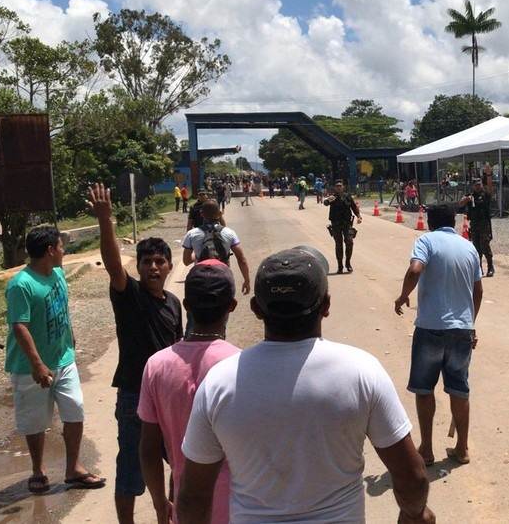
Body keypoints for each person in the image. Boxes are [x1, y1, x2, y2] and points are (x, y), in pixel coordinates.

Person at [177, 247, 434, 524]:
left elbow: (193, 497)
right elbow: (413, 477)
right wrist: (414, 515)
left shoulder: (219, 382)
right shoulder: (361, 371)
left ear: (256, 310)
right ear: (326, 305)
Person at [88, 183, 183, 523]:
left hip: (168, 397)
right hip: (133, 396)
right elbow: (114, 265)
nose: (153, 267)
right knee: (130, 467)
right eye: (147, 262)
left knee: (178, 462)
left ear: (170, 266)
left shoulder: (173, 303)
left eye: (160, 261)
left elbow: (179, 350)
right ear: (139, 267)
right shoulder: (129, 294)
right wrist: (106, 220)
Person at [5, 226, 106, 494]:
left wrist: (69, 332)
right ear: (51, 250)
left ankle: (73, 468)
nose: (64, 250)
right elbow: (20, 327)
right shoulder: (21, 285)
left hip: (64, 360)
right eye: (62, 246)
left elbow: (62, 305)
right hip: (30, 367)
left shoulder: (59, 274)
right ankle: (38, 470)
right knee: (35, 421)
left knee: (75, 410)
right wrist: (37, 364)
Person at [138, 259, 241, 524]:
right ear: (232, 306)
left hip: (185, 507)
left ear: (186, 306)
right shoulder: (241, 365)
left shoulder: (156, 365)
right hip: (239, 509)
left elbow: (149, 449)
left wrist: (160, 502)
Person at [394, 204, 483, 466]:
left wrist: (402, 297)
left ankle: (427, 450)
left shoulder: (426, 240)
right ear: (453, 223)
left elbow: (414, 270)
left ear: (430, 222)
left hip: (431, 328)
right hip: (462, 330)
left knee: (424, 389)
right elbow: (478, 292)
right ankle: (463, 449)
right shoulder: (469, 247)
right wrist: (471, 323)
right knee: (459, 389)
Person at [182, 199, 251, 295]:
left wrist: (197, 252)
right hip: (223, 278)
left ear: (201, 213)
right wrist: (247, 281)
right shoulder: (229, 233)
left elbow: (186, 261)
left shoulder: (192, 234)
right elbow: (241, 259)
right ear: (219, 213)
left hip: (201, 279)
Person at [460, 164, 495, 277]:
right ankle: (478, 269)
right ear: (472, 186)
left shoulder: (485, 195)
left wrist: (488, 174)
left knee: (485, 246)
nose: (478, 187)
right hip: (474, 225)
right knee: (476, 249)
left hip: (484, 224)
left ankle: (490, 267)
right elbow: (460, 204)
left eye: (479, 185)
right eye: (476, 185)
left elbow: (490, 188)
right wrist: (466, 200)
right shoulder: (469, 196)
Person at [324, 179, 363, 274]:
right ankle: (340, 265)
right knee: (339, 245)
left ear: (343, 187)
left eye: (340, 186)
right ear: (335, 188)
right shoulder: (333, 197)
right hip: (336, 224)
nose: (338, 187)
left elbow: (354, 207)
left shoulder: (347, 197)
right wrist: (329, 200)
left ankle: (348, 262)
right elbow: (325, 203)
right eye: (337, 186)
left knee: (349, 242)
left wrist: (358, 216)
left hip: (347, 224)